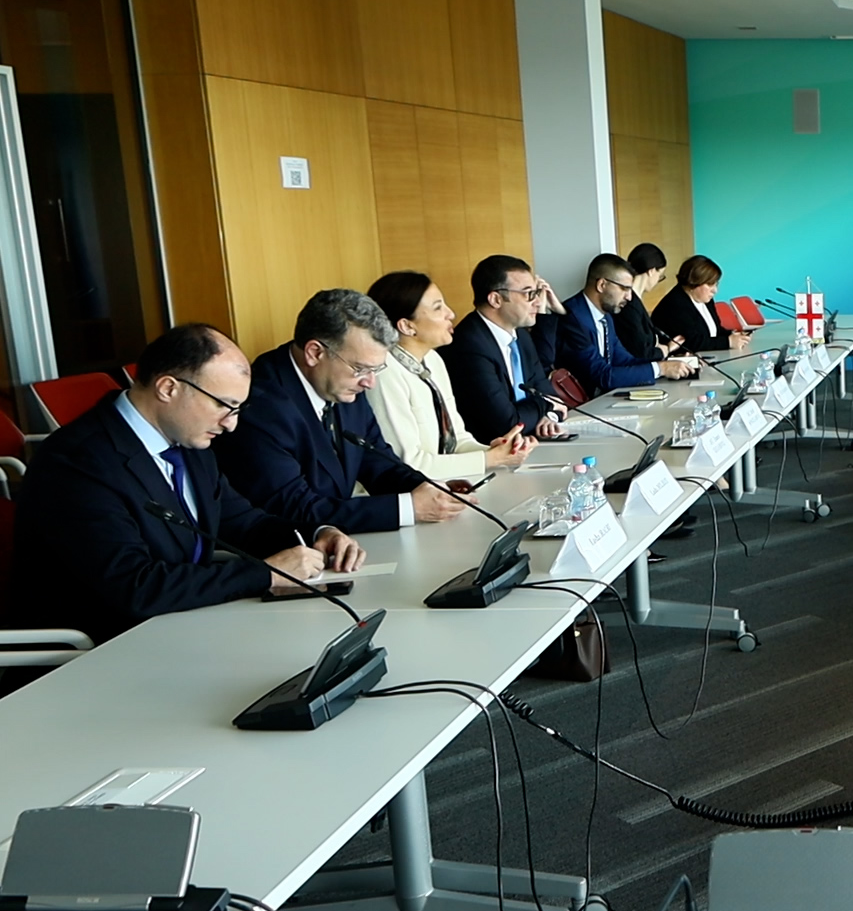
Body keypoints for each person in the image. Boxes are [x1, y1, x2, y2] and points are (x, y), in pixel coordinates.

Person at [10, 324, 362, 644]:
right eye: (225, 406)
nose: (231, 425)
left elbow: (245, 523)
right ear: (168, 388)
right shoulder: (77, 463)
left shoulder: (188, 441)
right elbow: (135, 587)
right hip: (103, 649)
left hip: (185, 625)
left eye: (238, 409)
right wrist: (265, 574)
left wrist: (319, 533)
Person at [216, 289, 466, 534]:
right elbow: (294, 508)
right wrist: (408, 508)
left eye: (375, 370)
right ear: (315, 353)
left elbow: (378, 461)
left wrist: (428, 489)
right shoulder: (260, 408)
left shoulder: (342, 382)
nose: (370, 382)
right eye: (361, 369)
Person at [364, 270, 535, 482]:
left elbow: (458, 441)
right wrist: (488, 459)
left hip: (444, 485)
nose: (451, 314)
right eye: (438, 308)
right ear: (407, 326)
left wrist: (500, 451)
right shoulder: (384, 372)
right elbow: (409, 464)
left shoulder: (433, 359)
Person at [443, 254, 570, 442]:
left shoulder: (520, 335)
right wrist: (545, 405)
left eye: (536, 293)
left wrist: (549, 417)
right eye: (529, 294)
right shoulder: (469, 346)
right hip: (490, 449)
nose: (537, 302)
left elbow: (551, 396)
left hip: (528, 443)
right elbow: (507, 424)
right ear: (496, 299)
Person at [557, 253, 695, 396]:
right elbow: (602, 375)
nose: (629, 297)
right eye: (624, 288)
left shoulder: (606, 316)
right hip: (582, 404)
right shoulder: (572, 318)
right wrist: (661, 369)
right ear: (602, 285)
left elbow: (625, 361)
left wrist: (673, 364)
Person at [651, 254, 748, 354]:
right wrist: (728, 342)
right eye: (710, 284)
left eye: (716, 284)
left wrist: (733, 334)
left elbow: (714, 331)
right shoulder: (674, 305)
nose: (715, 290)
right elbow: (691, 342)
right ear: (694, 281)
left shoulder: (706, 299)